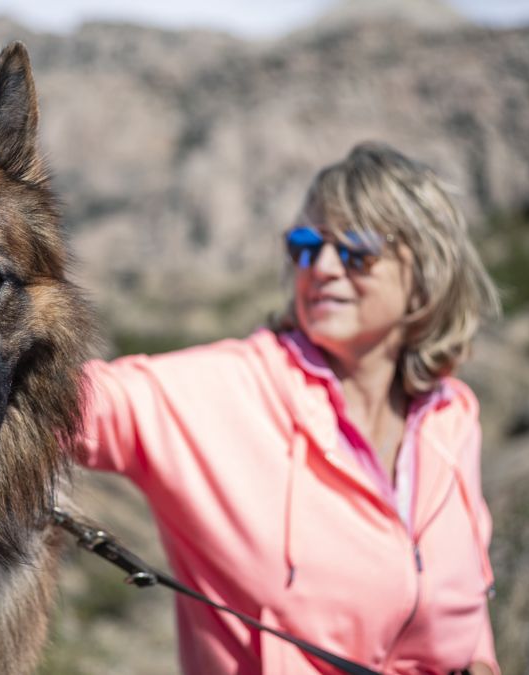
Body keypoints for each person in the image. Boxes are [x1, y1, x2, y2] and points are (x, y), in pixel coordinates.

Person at [76, 142, 502, 674]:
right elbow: (76, 403)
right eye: (306, 246)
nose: (322, 267)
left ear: (424, 275)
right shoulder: (227, 391)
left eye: (356, 251)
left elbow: (468, 615)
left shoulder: (451, 419)